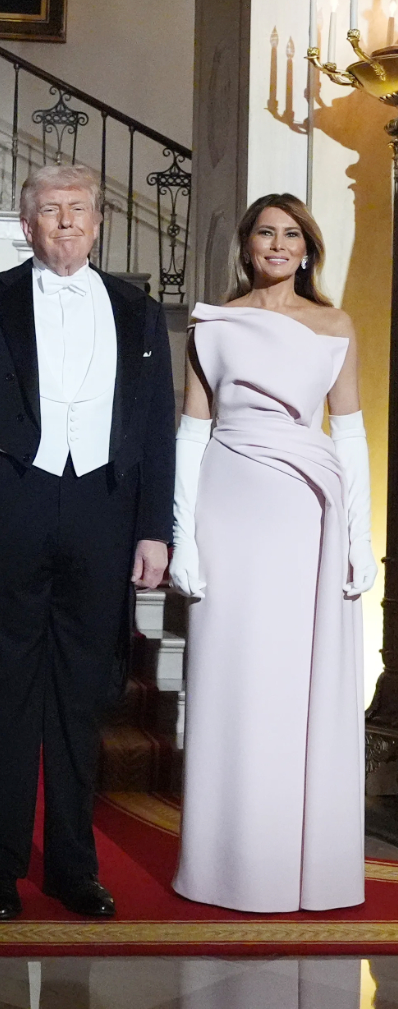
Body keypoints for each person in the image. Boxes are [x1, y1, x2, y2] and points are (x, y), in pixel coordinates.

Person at [0, 163, 175, 921]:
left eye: (78, 210)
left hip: (103, 515)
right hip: (11, 513)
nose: (65, 222)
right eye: (49, 210)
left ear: (98, 223)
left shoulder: (137, 309)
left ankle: (73, 866)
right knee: (3, 699)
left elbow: (156, 425)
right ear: (26, 225)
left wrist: (154, 529)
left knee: (81, 699)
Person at [171, 194, 374, 912]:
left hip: (306, 514)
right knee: (235, 681)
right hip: (229, 505)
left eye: (292, 235)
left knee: (299, 682)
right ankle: (231, 863)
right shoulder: (213, 322)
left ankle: (304, 861)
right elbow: (191, 433)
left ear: (308, 248)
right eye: (266, 233)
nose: (279, 245)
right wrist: (183, 537)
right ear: (248, 245)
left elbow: (349, 433)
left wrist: (360, 536)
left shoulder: (334, 325)